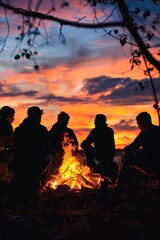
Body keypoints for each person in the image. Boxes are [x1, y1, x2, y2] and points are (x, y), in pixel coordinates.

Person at [11, 106, 51, 195]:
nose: (40, 118)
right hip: (35, 165)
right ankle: (42, 180)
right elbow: (47, 149)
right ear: (36, 116)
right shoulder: (42, 129)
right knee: (49, 157)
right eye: (39, 116)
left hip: (20, 164)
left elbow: (15, 148)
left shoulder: (19, 129)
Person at [115, 112, 160, 187]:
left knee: (126, 157)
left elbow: (129, 150)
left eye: (138, 125)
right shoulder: (158, 129)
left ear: (141, 124)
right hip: (156, 163)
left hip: (153, 167)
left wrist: (123, 150)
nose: (139, 127)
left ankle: (119, 184)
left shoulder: (145, 133)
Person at [81, 114, 116, 181]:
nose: (94, 123)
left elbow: (85, 143)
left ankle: (92, 169)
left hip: (103, 155)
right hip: (108, 156)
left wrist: (84, 143)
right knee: (86, 146)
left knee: (86, 147)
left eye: (96, 121)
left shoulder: (96, 131)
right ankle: (94, 168)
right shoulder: (109, 130)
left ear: (100, 122)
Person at [0, 106, 15, 183]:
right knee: (3, 178)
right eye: (12, 116)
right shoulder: (6, 125)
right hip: (2, 157)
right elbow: (10, 142)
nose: (13, 118)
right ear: (8, 116)